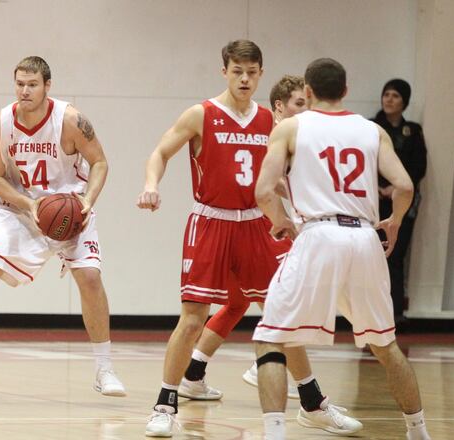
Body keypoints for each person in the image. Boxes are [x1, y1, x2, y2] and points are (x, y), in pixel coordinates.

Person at [137, 43, 359, 438]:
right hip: (211, 222)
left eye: (252, 72)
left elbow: (282, 178)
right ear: (224, 70)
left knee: (283, 318)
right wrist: (151, 185)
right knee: (192, 319)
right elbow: (160, 151)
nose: (244, 79)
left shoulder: (270, 122)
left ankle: (313, 403)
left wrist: (299, 214)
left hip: (257, 225)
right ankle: (165, 404)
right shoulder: (201, 114)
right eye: (237, 71)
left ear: (260, 73)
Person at [0, 55, 126, 399]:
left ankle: (104, 368)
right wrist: (29, 204)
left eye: (32, 84)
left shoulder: (71, 120)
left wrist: (88, 201)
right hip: (21, 210)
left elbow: (100, 163)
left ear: (48, 86)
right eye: (19, 83)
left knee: (90, 279)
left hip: (70, 208)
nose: (25, 90)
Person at [252, 57, 431, 440]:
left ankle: (274, 433)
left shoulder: (290, 128)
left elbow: (264, 191)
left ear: (309, 92)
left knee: (269, 337)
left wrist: (280, 221)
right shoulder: (371, 130)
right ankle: (419, 432)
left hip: (319, 234)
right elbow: (404, 186)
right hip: (365, 237)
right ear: (346, 90)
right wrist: (395, 221)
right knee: (385, 344)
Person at [371, 79, 427, 326]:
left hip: (401, 203)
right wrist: (380, 187)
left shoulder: (413, 131)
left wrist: (397, 187)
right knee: (372, 257)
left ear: (404, 101)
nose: (389, 99)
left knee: (396, 257)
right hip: (374, 200)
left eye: (395, 95)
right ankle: (370, 311)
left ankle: (395, 312)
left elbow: (418, 166)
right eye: (386, 94)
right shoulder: (371, 127)